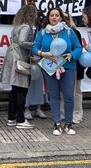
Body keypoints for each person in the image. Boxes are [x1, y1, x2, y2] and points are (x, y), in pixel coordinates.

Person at [32, 8, 82, 136]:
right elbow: (35, 47)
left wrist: (72, 55)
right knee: (54, 95)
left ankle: (68, 123)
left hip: (68, 67)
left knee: (69, 96)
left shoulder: (69, 32)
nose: (54, 17)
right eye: (51, 15)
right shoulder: (43, 33)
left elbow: (78, 48)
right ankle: (57, 123)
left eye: (57, 15)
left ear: (61, 17)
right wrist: (42, 53)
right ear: (48, 18)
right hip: (50, 67)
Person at [3, 5, 40, 129]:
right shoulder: (26, 27)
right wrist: (35, 44)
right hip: (18, 57)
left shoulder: (17, 26)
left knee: (14, 90)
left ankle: (11, 118)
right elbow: (22, 42)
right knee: (21, 89)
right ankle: (20, 119)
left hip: (12, 55)